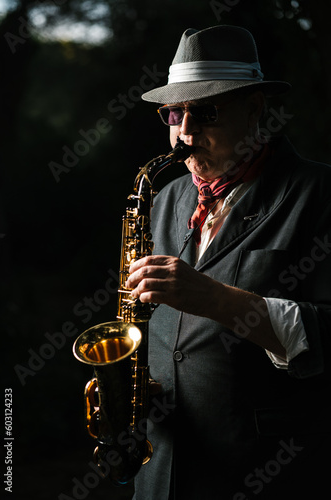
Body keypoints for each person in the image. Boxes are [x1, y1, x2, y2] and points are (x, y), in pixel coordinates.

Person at [126, 25, 331, 499]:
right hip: (161, 471)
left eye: (205, 113)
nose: (185, 133)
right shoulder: (166, 198)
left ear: (255, 109)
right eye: (174, 114)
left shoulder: (318, 193)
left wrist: (214, 298)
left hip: (264, 473)